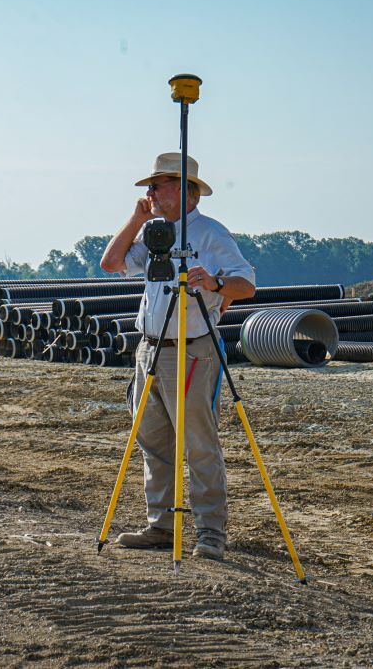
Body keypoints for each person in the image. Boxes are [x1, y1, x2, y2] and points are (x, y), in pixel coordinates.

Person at [100, 152, 256, 560]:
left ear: (185, 191)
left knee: (200, 444)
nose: (150, 192)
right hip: (149, 348)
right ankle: (162, 526)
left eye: (157, 185)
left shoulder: (210, 234)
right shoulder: (153, 232)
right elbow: (111, 262)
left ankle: (210, 533)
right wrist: (136, 219)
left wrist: (217, 282)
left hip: (191, 351)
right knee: (153, 442)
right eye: (150, 186)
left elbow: (247, 286)